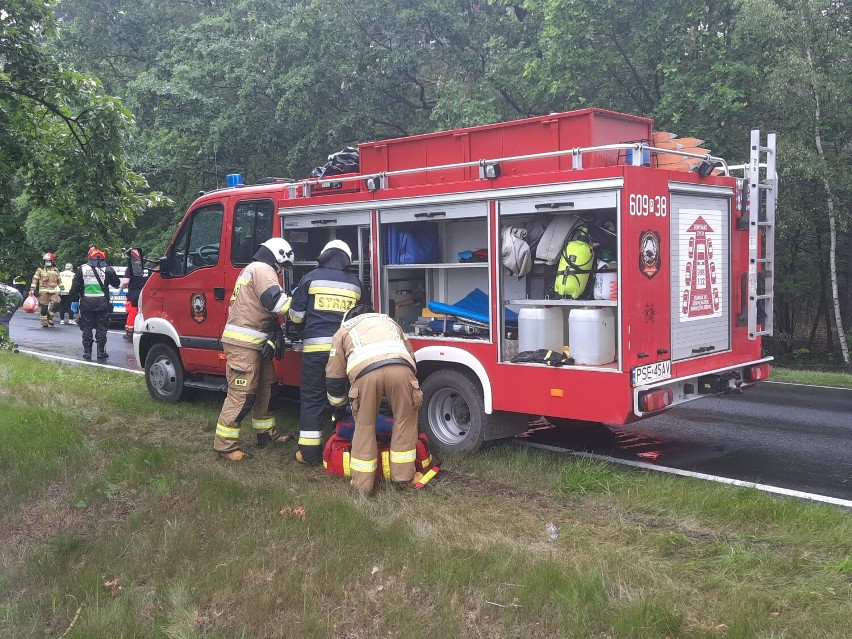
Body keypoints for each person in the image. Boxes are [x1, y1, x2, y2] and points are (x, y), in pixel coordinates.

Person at [325, 305, 422, 493]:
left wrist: (338, 405)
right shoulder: (389, 322)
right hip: (402, 369)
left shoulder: (344, 330)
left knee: (365, 425)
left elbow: (334, 374)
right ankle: (403, 477)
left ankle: (362, 486)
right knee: (405, 420)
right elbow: (410, 354)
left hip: (365, 374)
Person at [214, 237, 295, 461]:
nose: (281, 272)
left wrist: (274, 334)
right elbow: (277, 303)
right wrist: (302, 299)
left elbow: (261, 309)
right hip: (244, 345)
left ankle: (265, 434)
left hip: (255, 342)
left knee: (267, 388)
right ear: (278, 257)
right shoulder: (262, 269)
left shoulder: (254, 270)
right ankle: (226, 446)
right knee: (242, 395)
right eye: (283, 267)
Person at [289, 240, 363, 465]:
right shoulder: (356, 285)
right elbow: (360, 319)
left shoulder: (310, 278)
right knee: (344, 398)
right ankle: (345, 445)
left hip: (314, 352)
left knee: (312, 398)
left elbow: (295, 316)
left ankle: (310, 454)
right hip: (344, 354)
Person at [69, 246, 120, 360]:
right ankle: (100, 352)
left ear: (89, 256)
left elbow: (75, 288)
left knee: (87, 327)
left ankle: (87, 353)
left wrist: (74, 301)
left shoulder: (81, 269)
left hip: (86, 302)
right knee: (102, 328)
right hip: (102, 303)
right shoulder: (108, 269)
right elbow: (116, 283)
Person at [30, 252, 64, 327]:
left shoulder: (55, 270)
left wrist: (62, 288)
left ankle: (49, 317)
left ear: (52, 261)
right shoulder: (40, 270)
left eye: (49, 261)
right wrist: (32, 288)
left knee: (57, 304)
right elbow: (35, 279)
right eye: (46, 261)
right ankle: (44, 321)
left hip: (53, 291)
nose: (47, 262)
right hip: (43, 291)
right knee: (44, 307)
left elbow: (59, 280)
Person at [123, 248, 147, 340]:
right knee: (142, 313)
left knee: (132, 312)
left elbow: (125, 282)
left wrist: (120, 288)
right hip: (144, 294)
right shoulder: (146, 268)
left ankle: (130, 332)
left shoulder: (130, 269)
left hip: (133, 294)